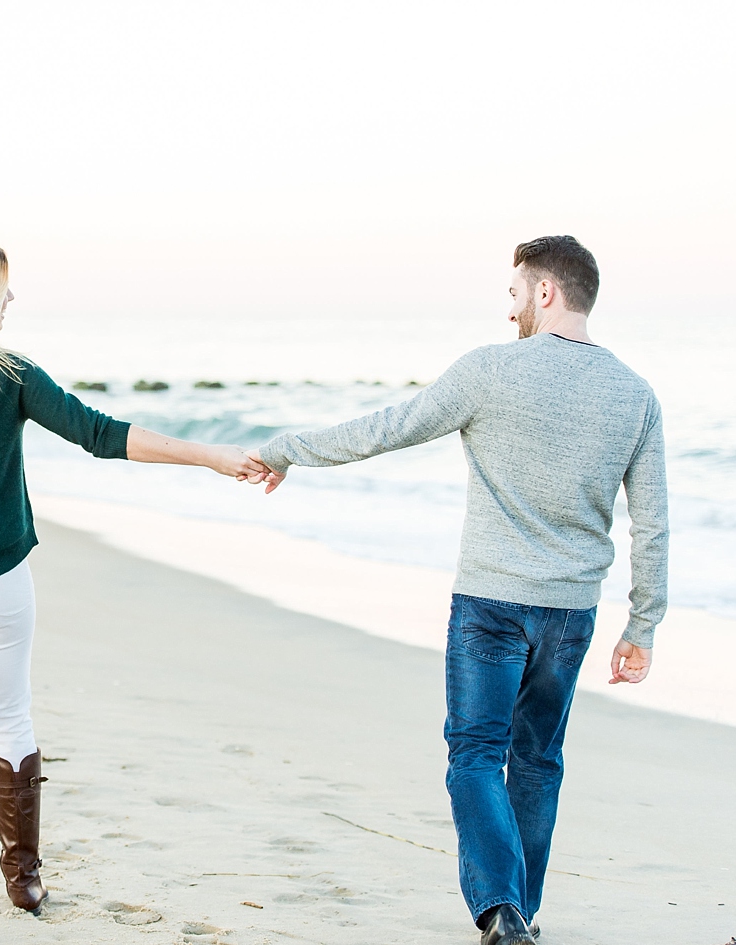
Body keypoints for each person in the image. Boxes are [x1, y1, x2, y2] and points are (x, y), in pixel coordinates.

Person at [246, 236, 667, 945]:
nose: (509, 311)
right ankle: (520, 916)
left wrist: (286, 446)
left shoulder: (489, 371)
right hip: (571, 612)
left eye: (514, 293)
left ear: (545, 292)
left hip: (490, 604)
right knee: (538, 760)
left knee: (476, 753)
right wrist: (643, 623)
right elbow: (652, 523)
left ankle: (503, 909)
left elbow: (386, 430)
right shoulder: (637, 395)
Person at [0, 237, 268, 945]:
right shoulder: (11, 373)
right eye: (3, 290)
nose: (11, 301)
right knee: (8, 717)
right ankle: (24, 875)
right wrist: (211, 454)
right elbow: (99, 434)